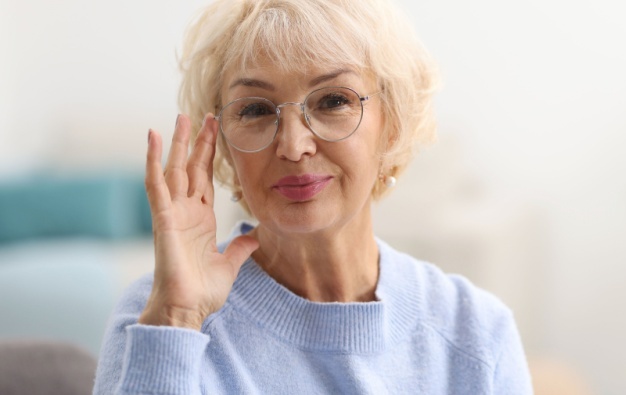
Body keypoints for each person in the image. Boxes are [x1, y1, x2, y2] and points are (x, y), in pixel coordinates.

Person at [93, 0, 533, 393]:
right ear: (224, 144)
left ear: (393, 123)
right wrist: (176, 319)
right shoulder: (157, 316)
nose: (293, 145)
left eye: (332, 101)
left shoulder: (477, 333)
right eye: (257, 110)